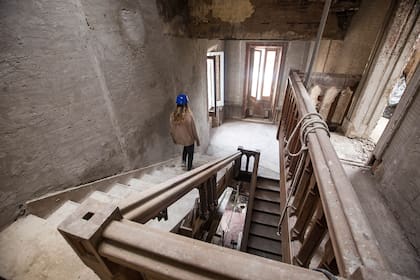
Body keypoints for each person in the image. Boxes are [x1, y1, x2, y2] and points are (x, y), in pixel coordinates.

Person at [170, 93, 200, 171]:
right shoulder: (189, 115)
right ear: (186, 104)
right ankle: (189, 169)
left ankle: (183, 162)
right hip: (189, 139)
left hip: (180, 139)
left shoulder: (173, 115)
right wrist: (197, 140)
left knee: (185, 147)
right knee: (190, 153)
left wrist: (174, 139)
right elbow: (193, 129)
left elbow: (172, 129)